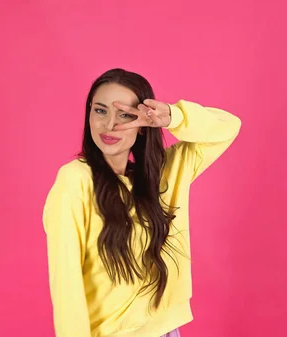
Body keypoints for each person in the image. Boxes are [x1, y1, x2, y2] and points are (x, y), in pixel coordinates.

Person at [42, 68, 241, 337]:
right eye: (100, 110)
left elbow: (228, 127)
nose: (109, 124)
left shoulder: (164, 174)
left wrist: (173, 117)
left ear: (144, 124)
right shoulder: (74, 180)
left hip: (165, 330)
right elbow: (66, 282)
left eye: (125, 114)